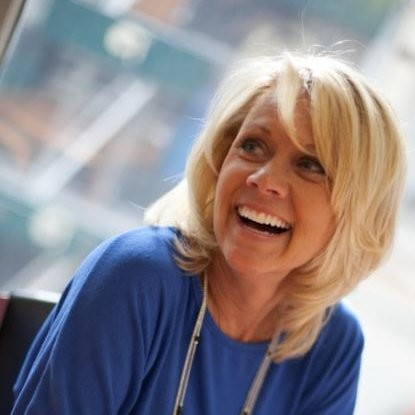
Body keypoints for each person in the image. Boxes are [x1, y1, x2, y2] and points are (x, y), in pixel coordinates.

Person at [12, 52, 406, 414]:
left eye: (310, 165)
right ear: (219, 161)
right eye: (253, 146)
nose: (264, 178)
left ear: (357, 211)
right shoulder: (136, 276)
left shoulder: (333, 343)